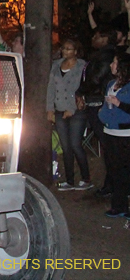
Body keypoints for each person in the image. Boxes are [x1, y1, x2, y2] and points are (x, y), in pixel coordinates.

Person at [76, 24, 118, 197]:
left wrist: (80, 91)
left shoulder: (106, 56)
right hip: (97, 101)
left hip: (100, 103)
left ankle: (113, 185)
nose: (93, 39)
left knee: (109, 147)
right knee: (107, 146)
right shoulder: (101, 55)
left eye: (97, 36)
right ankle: (111, 183)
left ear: (105, 39)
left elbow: (96, 78)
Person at [46, 39, 90, 190]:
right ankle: (70, 180)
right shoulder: (56, 65)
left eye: (69, 49)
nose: (65, 51)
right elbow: (51, 88)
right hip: (59, 109)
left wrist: (72, 108)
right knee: (65, 146)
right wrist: (49, 108)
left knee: (75, 144)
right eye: (64, 48)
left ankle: (86, 178)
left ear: (76, 51)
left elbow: (82, 89)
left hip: (76, 110)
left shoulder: (82, 66)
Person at [97, 52, 130, 217]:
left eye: (114, 63)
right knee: (114, 171)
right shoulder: (111, 83)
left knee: (126, 171)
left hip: (126, 134)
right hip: (110, 132)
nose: (111, 65)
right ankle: (119, 206)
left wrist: (119, 104)